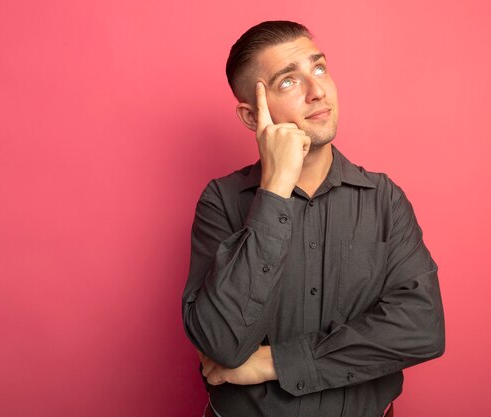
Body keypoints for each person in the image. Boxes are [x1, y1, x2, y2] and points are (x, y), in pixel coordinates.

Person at [182, 20, 445, 417]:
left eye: (319, 68)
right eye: (289, 81)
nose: (317, 90)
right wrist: (274, 191)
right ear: (253, 117)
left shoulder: (384, 199)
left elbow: (422, 328)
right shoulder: (221, 200)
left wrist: (274, 362)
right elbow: (222, 343)